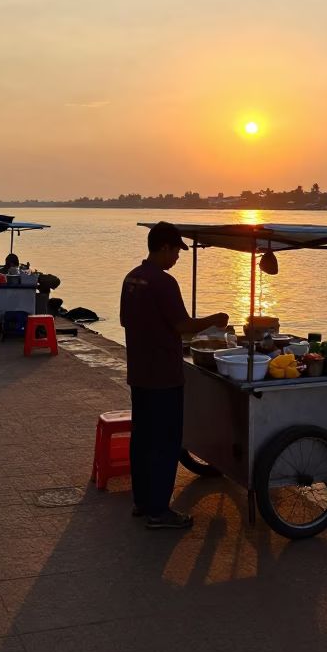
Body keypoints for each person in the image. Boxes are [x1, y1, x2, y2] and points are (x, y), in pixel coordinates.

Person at [120, 221, 228, 530]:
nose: (178, 258)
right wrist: (216, 320)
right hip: (163, 374)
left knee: (141, 438)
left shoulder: (132, 278)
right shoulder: (163, 282)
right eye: (176, 252)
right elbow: (182, 325)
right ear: (164, 247)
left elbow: (128, 321)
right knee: (166, 442)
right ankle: (160, 511)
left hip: (139, 371)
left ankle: (142, 502)